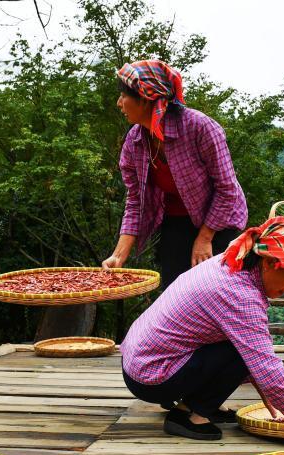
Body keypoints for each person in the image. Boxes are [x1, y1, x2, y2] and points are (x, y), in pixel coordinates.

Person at [121, 216, 284, 441]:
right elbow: (265, 364)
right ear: (268, 263)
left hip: (140, 362)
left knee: (243, 348)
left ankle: (199, 404)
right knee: (241, 352)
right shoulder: (240, 295)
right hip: (152, 375)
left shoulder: (232, 261)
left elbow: (258, 361)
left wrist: (269, 394)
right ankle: (190, 416)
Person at [103, 59, 248, 289]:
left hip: (220, 222)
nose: (119, 103)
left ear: (145, 99)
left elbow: (227, 189)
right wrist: (119, 255)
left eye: (124, 96)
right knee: (175, 291)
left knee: (216, 290)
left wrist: (205, 237)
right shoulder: (134, 142)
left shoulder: (199, 128)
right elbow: (135, 202)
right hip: (176, 221)